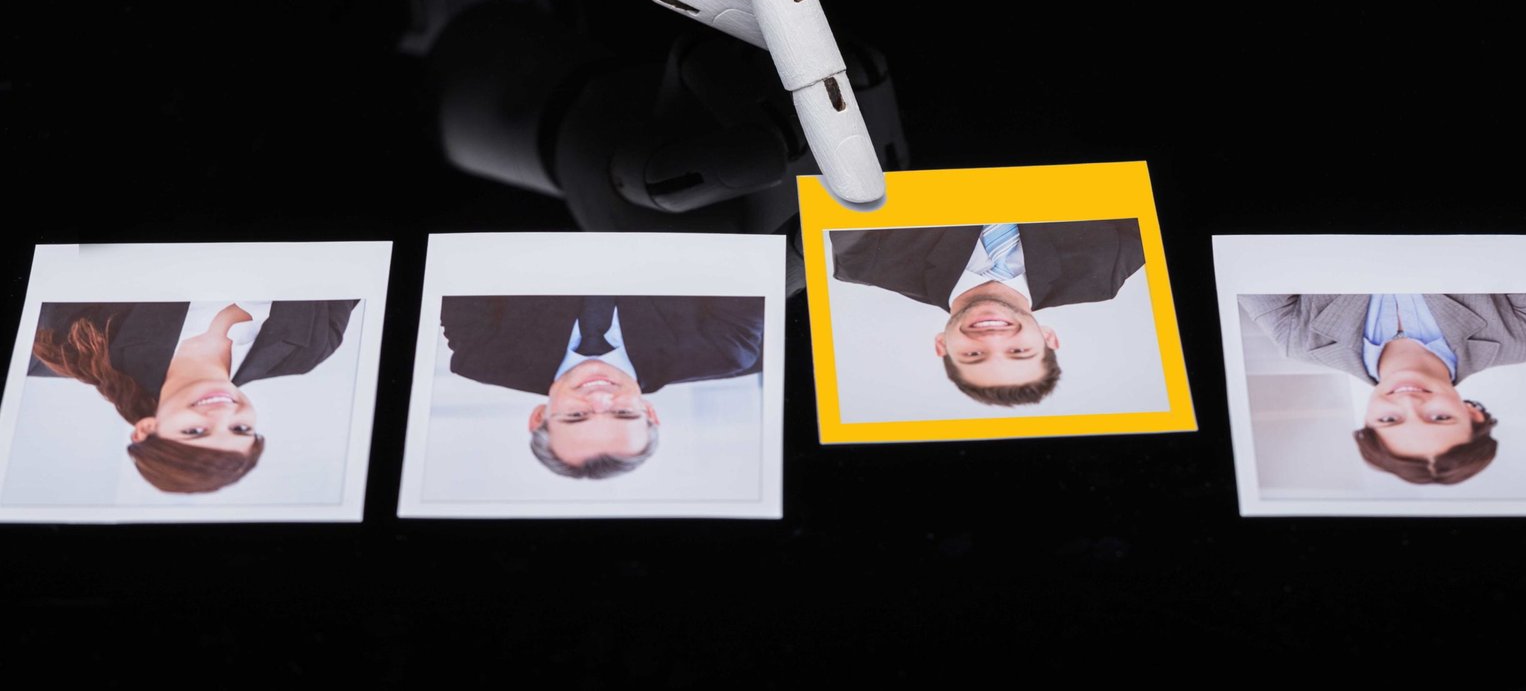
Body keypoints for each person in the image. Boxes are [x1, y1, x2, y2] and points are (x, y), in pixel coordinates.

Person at [30, 298, 357, 493]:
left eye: (194, 432)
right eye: (240, 429)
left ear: (146, 429)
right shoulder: (308, 351)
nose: (221, 416)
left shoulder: (65, 346)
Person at [1238, 293, 1526, 484]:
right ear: (1473, 414)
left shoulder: (1299, 342)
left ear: (1367, 421)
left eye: (1389, 421)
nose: (1409, 402)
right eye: (1439, 418)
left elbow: (1248, 254)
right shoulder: (1521, 339)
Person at [439, 294, 763, 479]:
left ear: (539, 417)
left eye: (576, 416)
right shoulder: (722, 353)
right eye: (622, 412)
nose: (600, 396)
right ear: (649, 411)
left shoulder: (483, 355)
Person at [829, 219, 1146, 406]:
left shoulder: (868, 262)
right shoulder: (1105, 270)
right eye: (1019, 351)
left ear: (942, 345)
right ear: (1048, 339)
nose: (993, 339)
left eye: (974, 355)